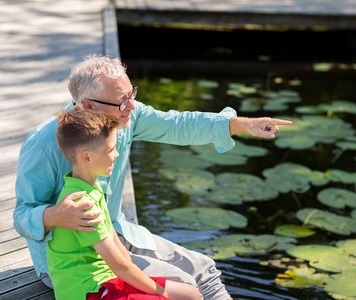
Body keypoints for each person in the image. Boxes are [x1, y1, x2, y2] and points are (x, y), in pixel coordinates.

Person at [13, 54, 292, 300]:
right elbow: (22, 215)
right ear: (88, 106)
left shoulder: (127, 116)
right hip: (74, 265)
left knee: (206, 271)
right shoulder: (43, 145)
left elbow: (179, 125)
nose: (131, 107)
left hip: (117, 233)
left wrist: (242, 124)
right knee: (183, 284)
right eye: (121, 102)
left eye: (131, 95)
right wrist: (54, 216)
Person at [49, 109, 201, 300]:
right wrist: (161, 293)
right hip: (88, 290)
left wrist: (142, 281)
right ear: (86, 157)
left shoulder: (92, 188)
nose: (116, 154)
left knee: (191, 295)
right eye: (111, 149)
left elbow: (117, 246)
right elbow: (119, 267)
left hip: (107, 279)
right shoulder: (82, 204)